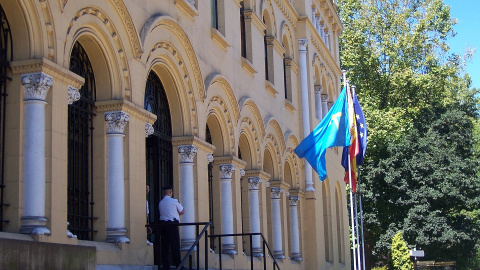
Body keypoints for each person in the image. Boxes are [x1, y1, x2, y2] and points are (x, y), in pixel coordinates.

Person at [158, 185, 184, 270]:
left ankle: (166, 266)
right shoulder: (174, 201)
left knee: (165, 246)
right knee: (175, 246)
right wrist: (175, 213)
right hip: (172, 225)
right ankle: (178, 265)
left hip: (163, 225)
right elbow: (182, 211)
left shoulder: (161, 202)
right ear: (170, 192)